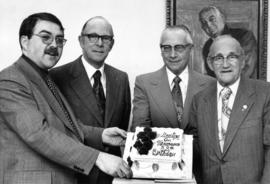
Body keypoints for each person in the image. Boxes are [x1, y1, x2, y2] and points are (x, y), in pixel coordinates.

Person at [0, 12, 132, 184]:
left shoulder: (45, 78)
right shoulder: (10, 79)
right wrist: (97, 157)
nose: (54, 45)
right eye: (46, 38)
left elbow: (66, 126)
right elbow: (39, 133)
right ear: (25, 42)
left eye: (59, 39)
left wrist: (102, 135)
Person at [50, 16, 131, 184]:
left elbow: (121, 127)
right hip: (73, 175)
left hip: (112, 177)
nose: (99, 43)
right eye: (92, 36)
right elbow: (55, 131)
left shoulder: (121, 78)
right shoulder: (57, 77)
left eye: (105, 38)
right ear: (81, 40)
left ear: (112, 43)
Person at [131, 25, 214, 183]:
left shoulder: (210, 84)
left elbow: (211, 136)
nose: (173, 54)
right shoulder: (144, 83)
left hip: (200, 174)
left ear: (190, 49)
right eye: (167, 48)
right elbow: (140, 131)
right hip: (158, 175)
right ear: (160, 50)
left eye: (179, 48)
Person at [185, 35, 270, 184]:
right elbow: (192, 148)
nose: (225, 64)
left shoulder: (265, 93)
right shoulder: (199, 100)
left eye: (232, 57)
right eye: (218, 58)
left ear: (242, 61)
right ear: (210, 64)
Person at [199, 6, 257, 78]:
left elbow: (247, 69)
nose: (208, 25)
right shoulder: (207, 46)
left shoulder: (244, 36)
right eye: (204, 23)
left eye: (212, 19)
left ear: (222, 18)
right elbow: (211, 76)